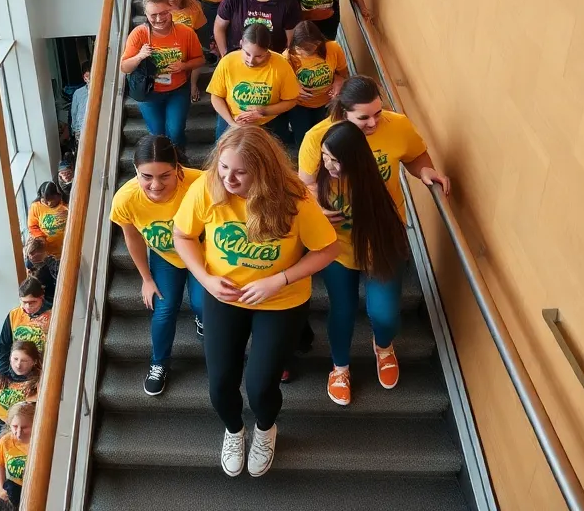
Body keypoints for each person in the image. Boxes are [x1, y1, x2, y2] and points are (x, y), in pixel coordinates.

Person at [172, 126, 340, 478]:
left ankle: (265, 428)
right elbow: (183, 235)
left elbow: (328, 249)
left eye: (240, 172)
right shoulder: (206, 187)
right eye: (223, 168)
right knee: (220, 384)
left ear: (263, 171)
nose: (228, 178)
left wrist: (277, 279)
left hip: (281, 300)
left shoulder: (294, 197)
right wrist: (205, 279)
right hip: (224, 296)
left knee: (261, 385)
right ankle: (234, 430)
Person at [314, 121, 411, 406]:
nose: (328, 165)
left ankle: (383, 346)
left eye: (335, 159)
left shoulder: (373, 184)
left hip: (378, 251)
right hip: (338, 254)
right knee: (341, 311)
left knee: (385, 314)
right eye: (325, 156)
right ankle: (340, 368)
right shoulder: (323, 178)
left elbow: (389, 227)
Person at [110, 135, 205, 395]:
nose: (155, 185)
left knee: (202, 304)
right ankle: (159, 363)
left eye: (165, 175)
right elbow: (133, 238)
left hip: (201, 253)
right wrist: (146, 279)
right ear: (136, 171)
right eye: (146, 177)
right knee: (164, 310)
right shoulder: (125, 199)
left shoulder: (199, 182)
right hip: (164, 257)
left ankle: (202, 318)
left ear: (178, 169)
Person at [298, 75, 451, 218]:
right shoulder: (316, 137)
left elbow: (415, 156)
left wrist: (424, 170)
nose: (373, 123)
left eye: (378, 113)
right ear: (344, 113)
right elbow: (307, 183)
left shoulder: (398, 124)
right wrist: (318, 210)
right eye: (363, 118)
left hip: (388, 219)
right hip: (342, 227)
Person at [120, 0, 205, 149]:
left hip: (178, 90)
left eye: (163, 13)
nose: (159, 19)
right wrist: (139, 56)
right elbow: (124, 67)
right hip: (150, 92)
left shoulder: (185, 32)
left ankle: (178, 160)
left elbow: (200, 59)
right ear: (145, 13)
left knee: (175, 131)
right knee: (157, 134)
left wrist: (184, 66)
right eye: (153, 15)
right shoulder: (139, 34)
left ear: (170, 9)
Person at [207, 24, 299, 144]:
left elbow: (291, 100)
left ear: (267, 50)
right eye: (247, 53)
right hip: (231, 118)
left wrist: (263, 111)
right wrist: (232, 124)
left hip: (270, 122)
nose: (251, 61)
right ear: (241, 44)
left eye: (259, 56)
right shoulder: (228, 61)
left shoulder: (281, 64)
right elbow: (216, 96)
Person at [284, 21, 348, 149]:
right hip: (299, 104)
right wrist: (294, 86)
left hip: (324, 102)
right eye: (302, 49)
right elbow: (283, 83)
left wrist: (339, 80)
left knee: (321, 134)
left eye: (311, 48)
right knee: (303, 137)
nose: (307, 53)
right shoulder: (287, 57)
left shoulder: (333, 48)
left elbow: (343, 73)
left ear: (319, 43)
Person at [0, 340, 41, 441]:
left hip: (22, 427)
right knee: (1, 442)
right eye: (15, 359)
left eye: (24, 361)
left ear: (34, 362)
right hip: (0, 421)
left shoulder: (37, 383)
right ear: (10, 358)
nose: (18, 365)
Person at [0, 277, 52, 373]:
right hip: (17, 368)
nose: (28, 307)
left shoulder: (53, 314)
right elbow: (4, 347)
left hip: (43, 370)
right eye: (24, 302)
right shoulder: (13, 315)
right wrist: (1, 373)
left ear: (41, 297)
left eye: (32, 302)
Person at [0, 401, 34, 509]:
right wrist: (0, 488)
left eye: (25, 427)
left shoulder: (38, 442)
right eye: (15, 427)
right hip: (15, 489)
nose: (19, 433)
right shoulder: (5, 442)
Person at [27, 181, 68, 257]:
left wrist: (69, 214)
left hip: (66, 248)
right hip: (49, 253)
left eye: (50, 200)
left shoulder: (66, 204)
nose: (48, 204)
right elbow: (32, 226)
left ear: (57, 195)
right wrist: (40, 238)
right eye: (44, 201)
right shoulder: (35, 207)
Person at [25, 236, 60, 302]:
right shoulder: (30, 264)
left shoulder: (52, 264)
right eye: (30, 255)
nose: (32, 257)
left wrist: (46, 259)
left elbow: (59, 273)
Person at [70, 65, 90, 148]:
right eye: (87, 76)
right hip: (81, 129)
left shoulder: (102, 90)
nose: (89, 78)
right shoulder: (78, 93)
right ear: (84, 78)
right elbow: (73, 112)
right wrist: (75, 130)